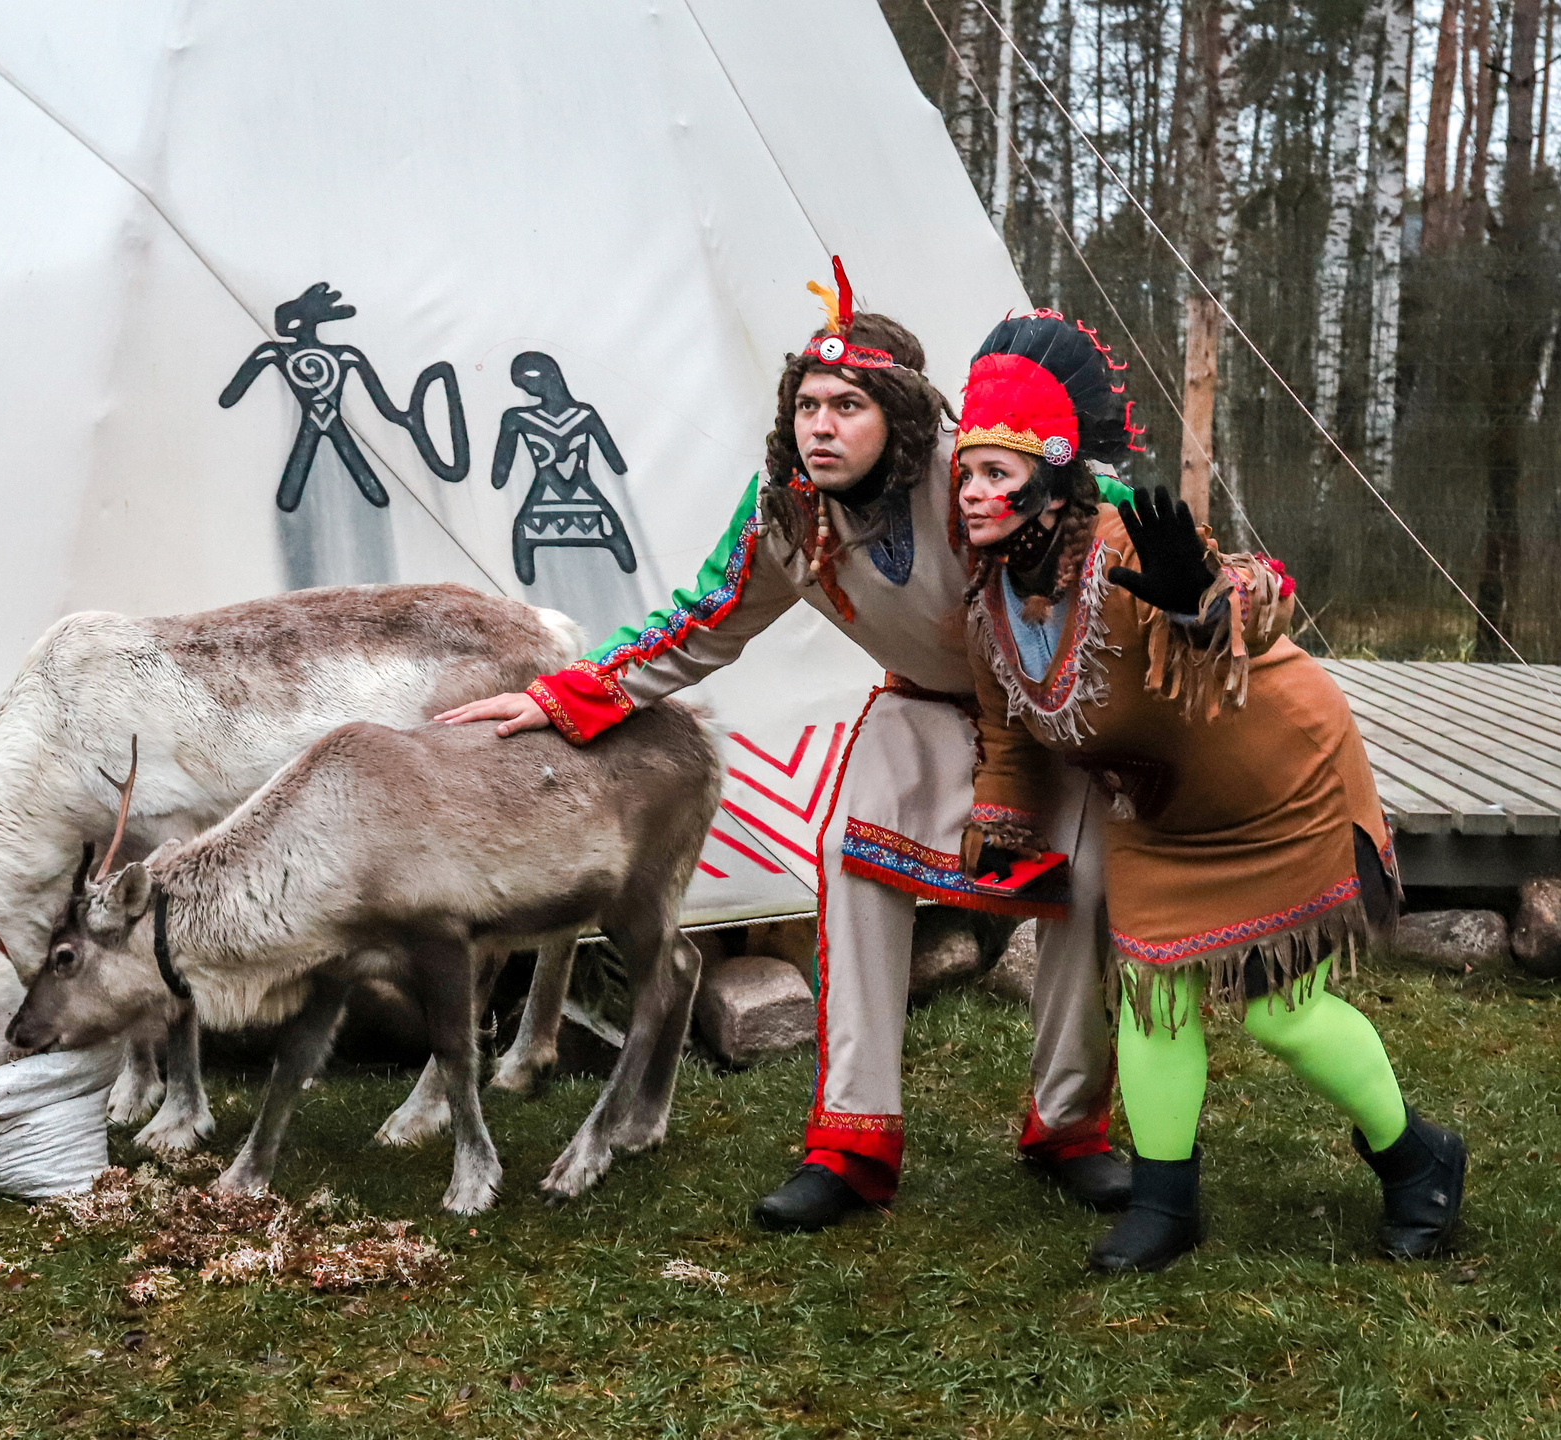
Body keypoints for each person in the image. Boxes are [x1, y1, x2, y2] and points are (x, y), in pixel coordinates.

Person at [439, 262, 1129, 1231]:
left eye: (847, 404)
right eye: (807, 402)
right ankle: (852, 1144)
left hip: (1046, 714)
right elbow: (700, 620)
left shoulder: (971, 470)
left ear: (899, 412)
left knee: (1083, 888)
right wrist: (562, 697)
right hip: (924, 706)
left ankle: (1069, 1129)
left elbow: (1107, 513)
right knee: (851, 865)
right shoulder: (786, 511)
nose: (820, 424)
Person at [950, 311, 1467, 1273]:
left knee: (1281, 1012)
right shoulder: (986, 600)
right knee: (1154, 1001)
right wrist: (998, 818)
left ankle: (1419, 1160)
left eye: (997, 474)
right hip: (1158, 810)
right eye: (967, 472)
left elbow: (1261, 596)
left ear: (1053, 484)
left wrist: (1202, 606)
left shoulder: (1122, 549)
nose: (974, 493)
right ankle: (1164, 1205)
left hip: (1278, 783)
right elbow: (1007, 729)